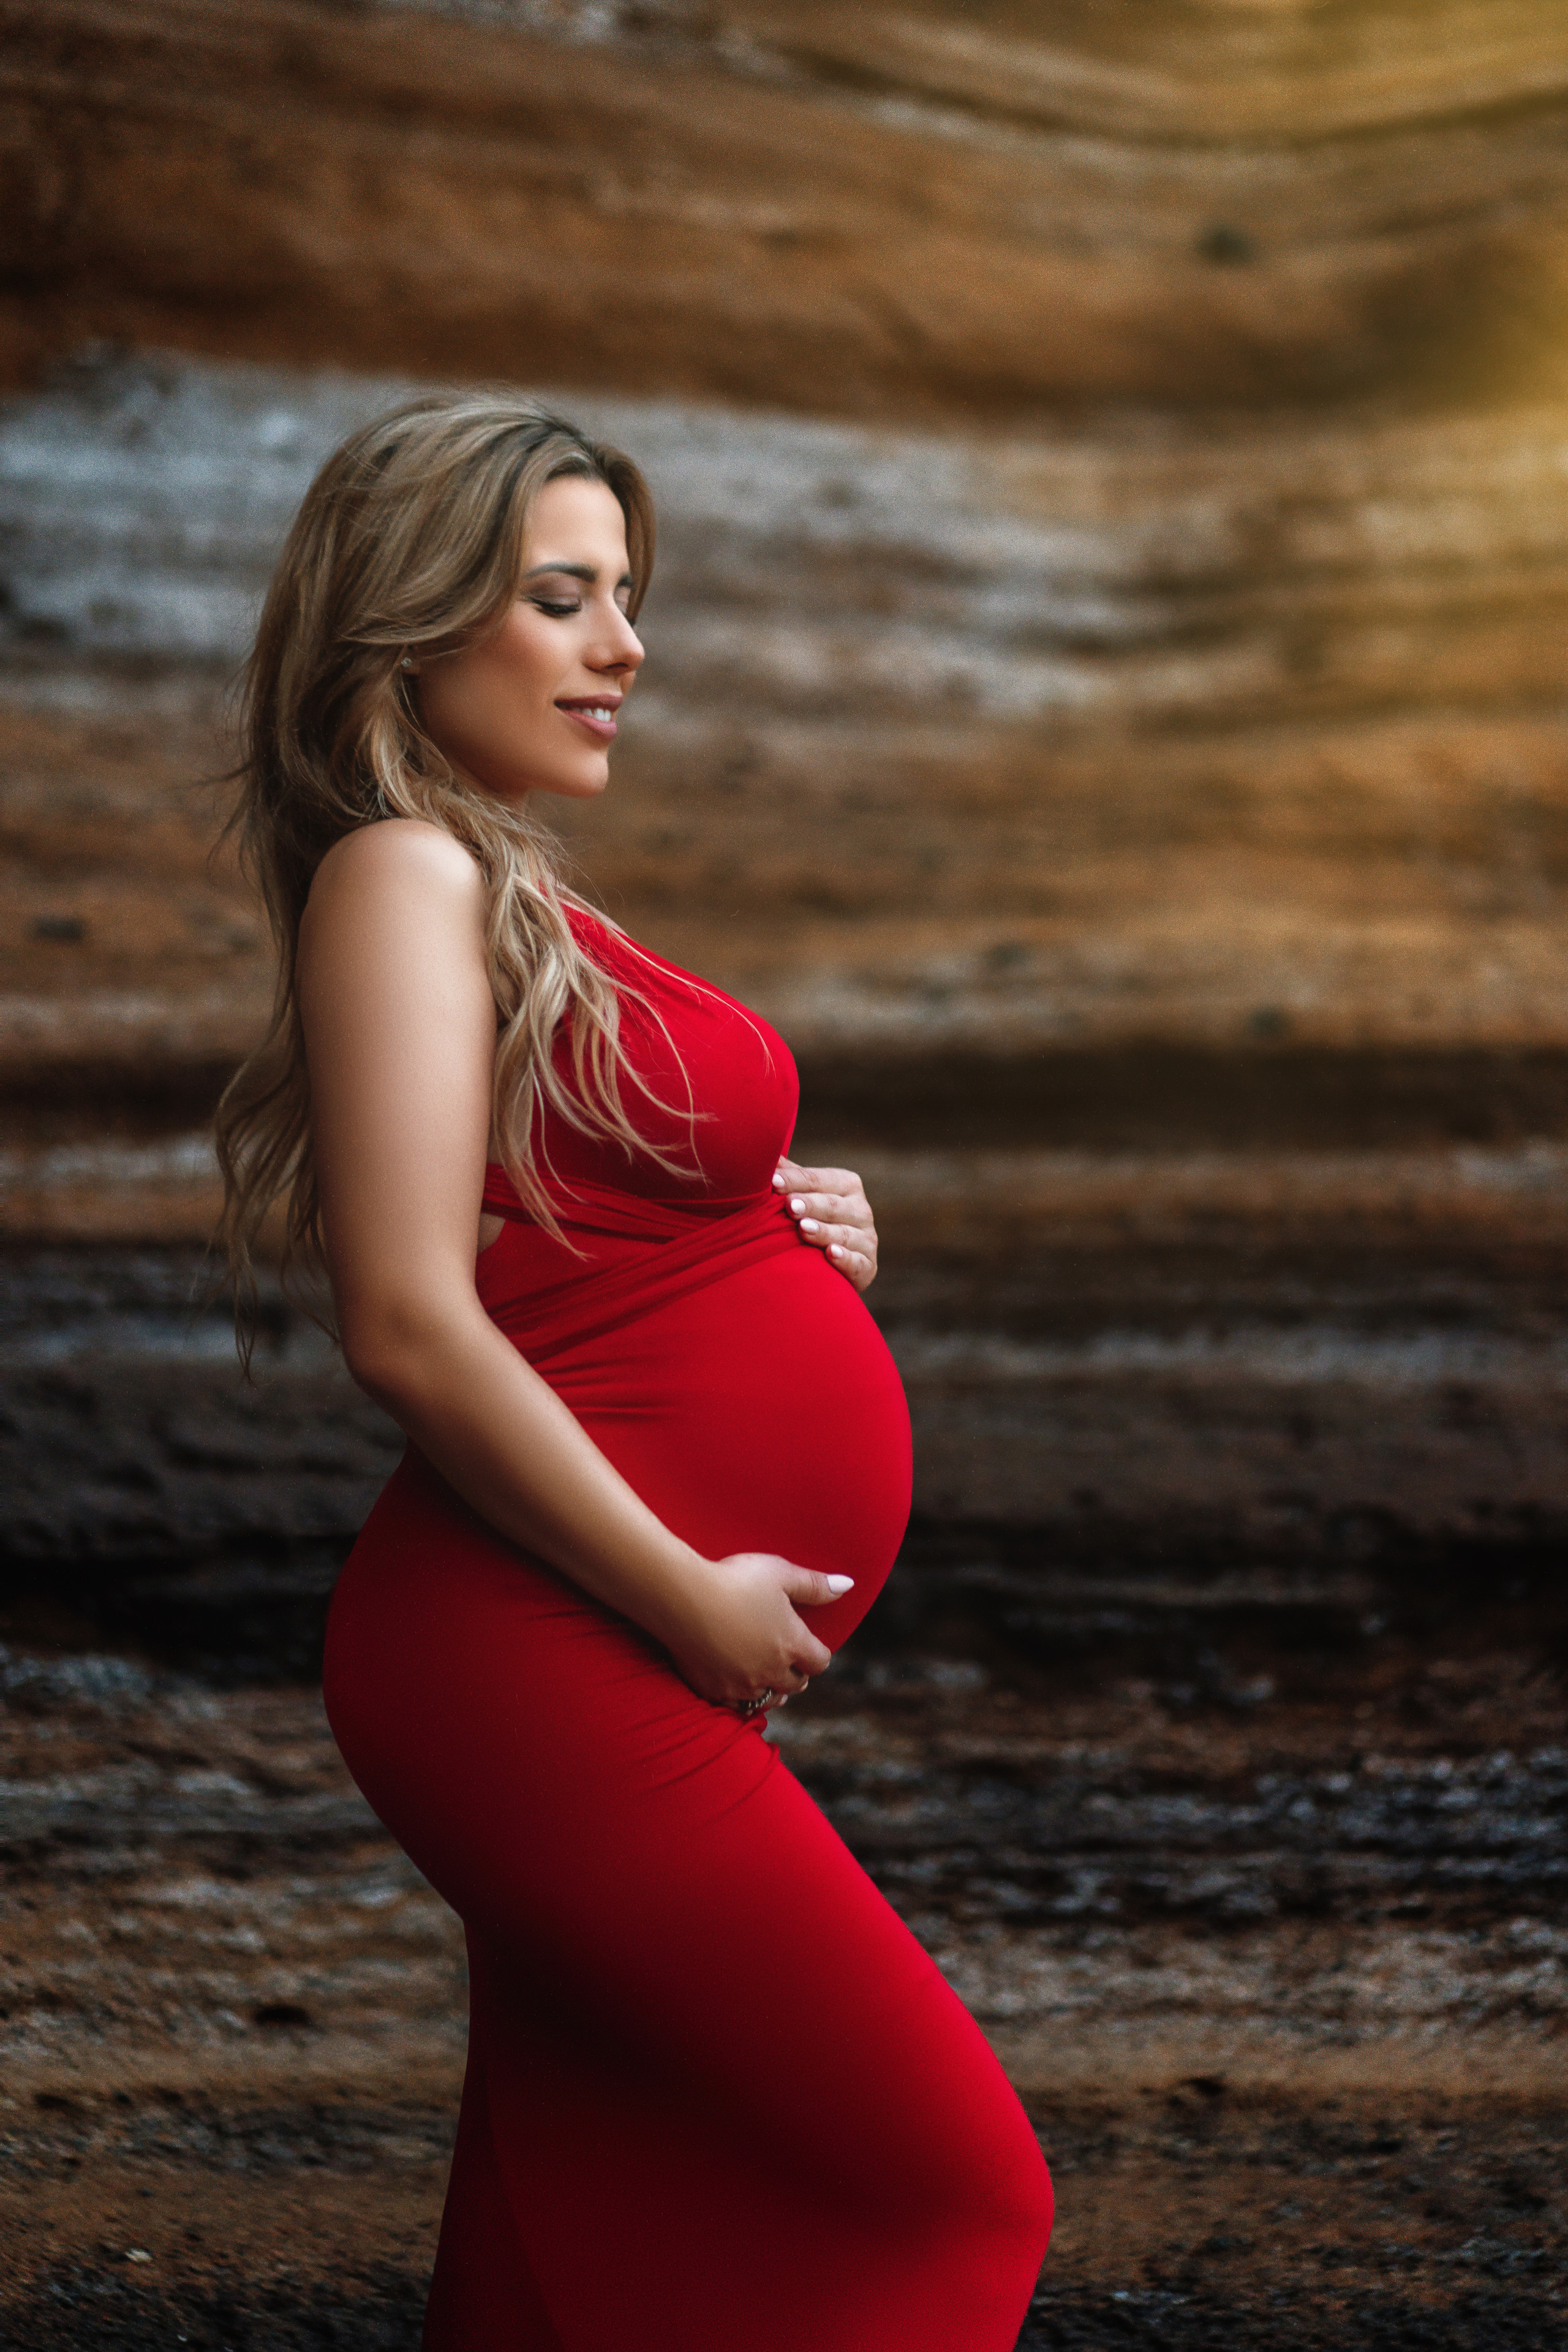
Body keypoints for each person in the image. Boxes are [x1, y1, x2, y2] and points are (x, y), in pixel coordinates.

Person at [216, 392, 1052, 2350]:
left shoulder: (496, 890)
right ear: (411, 625)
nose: (628, 646)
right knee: (946, 2184)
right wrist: (685, 1592)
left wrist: (776, 1222)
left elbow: (562, 1222)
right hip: (546, 1655)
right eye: (565, 597)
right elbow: (411, 1320)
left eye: (629, 597)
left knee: (571, 2209)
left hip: (586, 1642)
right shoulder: (402, 876)